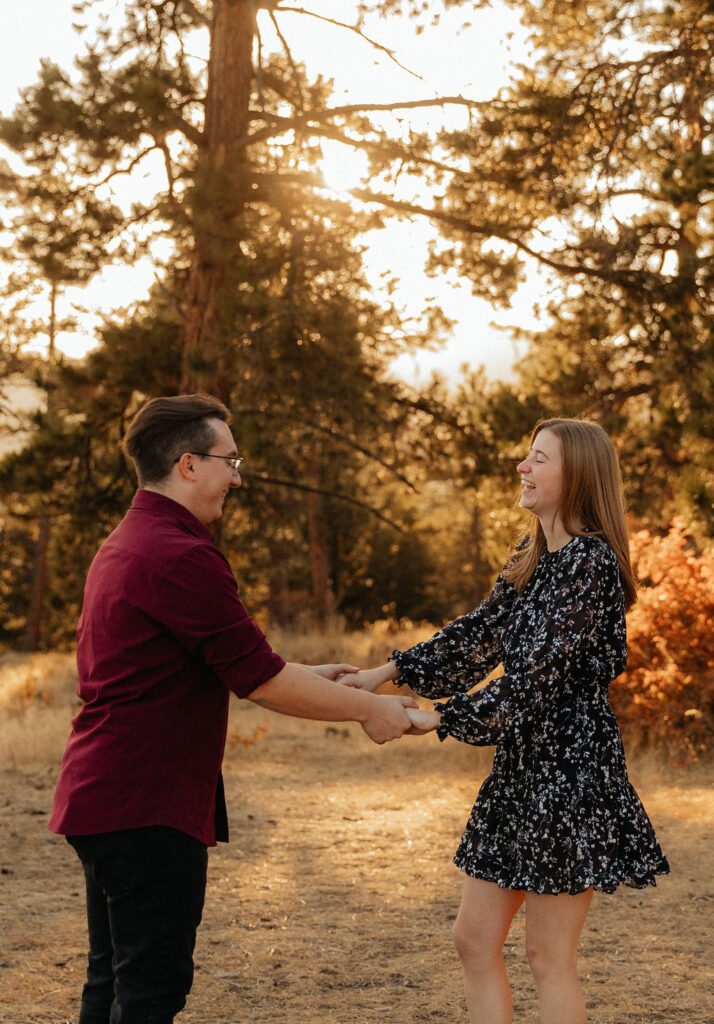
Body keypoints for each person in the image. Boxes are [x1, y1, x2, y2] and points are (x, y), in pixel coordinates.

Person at [49, 393, 417, 1024]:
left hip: (108, 794)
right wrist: (367, 712)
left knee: (113, 982)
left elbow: (238, 661)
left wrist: (318, 677)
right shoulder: (180, 556)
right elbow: (260, 682)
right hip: (145, 804)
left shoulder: (133, 540)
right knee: (149, 990)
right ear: (189, 465)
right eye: (230, 460)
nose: (238, 476)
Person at [343, 418, 669, 1024]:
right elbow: (479, 633)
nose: (523, 467)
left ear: (577, 477)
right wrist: (381, 676)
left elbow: (535, 681)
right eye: (527, 455)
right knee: (473, 941)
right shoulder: (535, 554)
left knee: (548, 956)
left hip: (570, 777)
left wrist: (436, 717)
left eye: (539, 459)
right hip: (522, 770)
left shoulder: (589, 566)